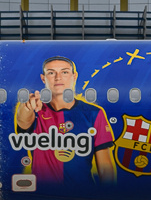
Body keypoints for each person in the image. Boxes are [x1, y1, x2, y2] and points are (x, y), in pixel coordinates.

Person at [14, 55, 117, 190]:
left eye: (64, 72)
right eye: (51, 73)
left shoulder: (94, 113)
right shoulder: (36, 110)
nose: (58, 77)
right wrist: (26, 107)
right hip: (43, 194)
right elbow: (23, 121)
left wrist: (109, 196)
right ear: (43, 78)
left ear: (74, 76)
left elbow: (105, 165)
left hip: (83, 195)